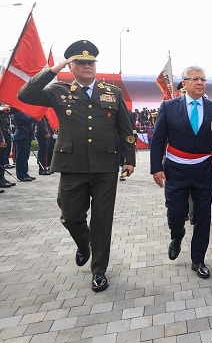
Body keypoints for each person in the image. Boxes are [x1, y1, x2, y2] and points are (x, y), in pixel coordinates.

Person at [18, 39, 136, 292]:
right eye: (80, 62)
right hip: (72, 165)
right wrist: (53, 69)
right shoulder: (58, 91)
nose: (87, 66)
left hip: (105, 166)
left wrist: (129, 159)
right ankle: (84, 243)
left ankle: (99, 271)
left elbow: (125, 129)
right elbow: (24, 94)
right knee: (70, 216)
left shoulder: (112, 93)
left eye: (91, 62)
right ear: (71, 66)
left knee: (102, 220)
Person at [150, 66, 212, 279]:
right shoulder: (169, 107)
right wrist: (156, 168)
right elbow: (158, 139)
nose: (200, 82)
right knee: (176, 213)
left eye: (203, 79)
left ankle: (198, 259)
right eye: (195, 79)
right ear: (184, 84)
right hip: (176, 170)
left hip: (204, 171)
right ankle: (177, 235)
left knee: (203, 216)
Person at [11, 108, 37, 181]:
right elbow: (28, 119)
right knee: (21, 157)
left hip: (26, 136)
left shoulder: (25, 112)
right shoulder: (17, 112)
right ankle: (21, 175)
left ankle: (25, 173)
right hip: (21, 136)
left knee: (25, 156)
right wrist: (35, 115)